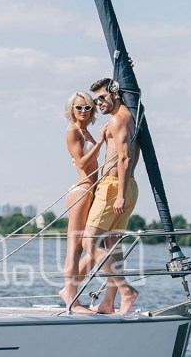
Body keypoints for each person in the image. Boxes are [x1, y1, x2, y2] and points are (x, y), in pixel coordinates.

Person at [78, 77, 140, 314]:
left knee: (89, 242)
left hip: (115, 187)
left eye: (102, 98)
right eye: (96, 100)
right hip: (128, 185)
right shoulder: (132, 115)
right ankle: (108, 303)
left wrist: (120, 194)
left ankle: (126, 291)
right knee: (113, 245)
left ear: (115, 94)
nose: (98, 103)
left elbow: (124, 158)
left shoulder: (117, 120)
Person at [59, 91, 107, 309]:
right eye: (79, 107)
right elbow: (81, 163)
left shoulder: (86, 131)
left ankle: (69, 291)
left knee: (95, 245)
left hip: (92, 191)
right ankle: (72, 299)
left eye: (87, 107)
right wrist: (101, 143)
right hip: (81, 191)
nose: (83, 111)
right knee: (75, 249)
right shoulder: (73, 131)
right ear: (72, 110)